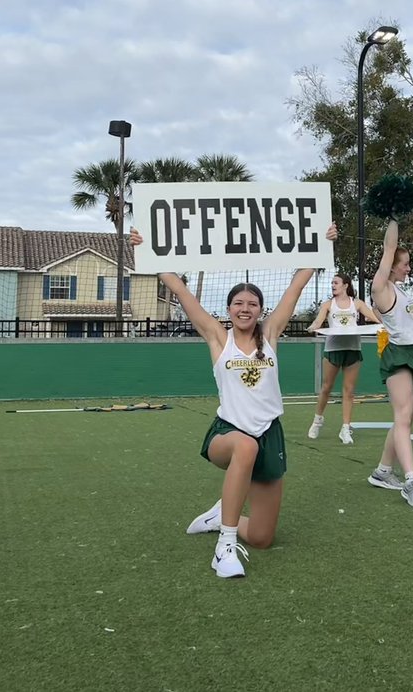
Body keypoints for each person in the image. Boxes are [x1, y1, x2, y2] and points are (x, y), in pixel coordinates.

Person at [132, 223, 338, 579]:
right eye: (239, 303)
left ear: (261, 310)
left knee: (261, 537)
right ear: (228, 309)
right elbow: (181, 291)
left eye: (252, 304)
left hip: (269, 436)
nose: (245, 308)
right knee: (244, 448)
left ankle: (219, 516)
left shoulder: (270, 335)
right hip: (227, 435)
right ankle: (224, 548)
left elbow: (296, 286)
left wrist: (324, 244)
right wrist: (148, 251)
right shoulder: (217, 337)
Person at [366, 219, 413, 508]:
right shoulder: (381, 287)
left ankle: (383, 471)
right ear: (391, 265)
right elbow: (389, 246)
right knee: (403, 418)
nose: (408, 268)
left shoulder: (400, 291)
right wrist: (393, 217)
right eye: (404, 264)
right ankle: (411, 481)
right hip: (399, 355)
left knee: (406, 419)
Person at [304, 273, 380, 444]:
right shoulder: (328, 305)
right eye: (332, 283)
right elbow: (318, 322)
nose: (333, 285)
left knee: (349, 391)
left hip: (353, 350)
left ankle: (345, 428)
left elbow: (375, 319)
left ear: (346, 285)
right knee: (326, 388)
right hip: (333, 350)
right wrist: (312, 327)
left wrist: (385, 325)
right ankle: (317, 421)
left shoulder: (357, 303)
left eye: (336, 282)